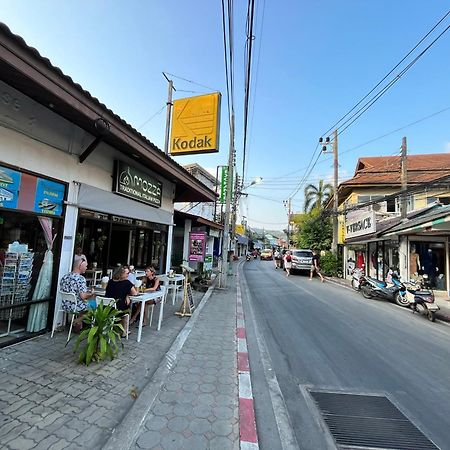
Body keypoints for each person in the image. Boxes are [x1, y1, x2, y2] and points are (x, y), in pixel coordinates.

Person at [59, 254, 96, 331]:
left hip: (65, 305)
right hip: (75, 307)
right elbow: (83, 296)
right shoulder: (80, 279)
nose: (86, 268)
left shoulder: (65, 277)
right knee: (93, 306)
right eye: (85, 266)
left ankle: (78, 326)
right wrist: (91, 293)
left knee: (83, 302)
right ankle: (78, 321)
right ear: (80, 267)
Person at [105, 266, 138, 337]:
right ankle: (124, 332)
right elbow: (135, 293)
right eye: (127, 273)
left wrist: (126, 295)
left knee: (122, 304)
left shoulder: (110, 281)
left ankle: (113, 326)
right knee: (127, 309)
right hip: (118, 310)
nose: (128, 275)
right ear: (121, 274)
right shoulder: (127, 283)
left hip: (107, 309)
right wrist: (127, 295)